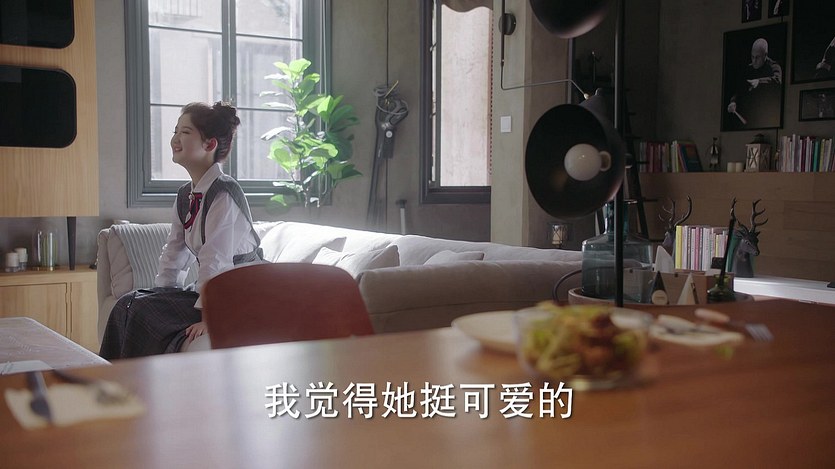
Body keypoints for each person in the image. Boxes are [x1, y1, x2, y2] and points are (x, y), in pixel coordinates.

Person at [100, 102, 263, 359]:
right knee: (130, 304)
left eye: (185, 132)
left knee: (142, 310)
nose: (175, 139)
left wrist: (210, 318)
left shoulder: (223, 193)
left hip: (242, 294)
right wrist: (161, 295)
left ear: (209, 144)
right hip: (216, 291)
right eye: (175, 131)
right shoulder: (186, 195)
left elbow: (215, 260)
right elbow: (174, 253)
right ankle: (116, 379)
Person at [726, 38, 782, 128]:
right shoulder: (748, 69)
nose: (754, 61)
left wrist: (759, 81)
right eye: (752, 57)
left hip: (767, 116)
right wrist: (733, 101)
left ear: (765, 55)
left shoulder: (774, 66)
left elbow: (777, 80)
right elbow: (740, 89)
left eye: (757, 57)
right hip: (749, 116)